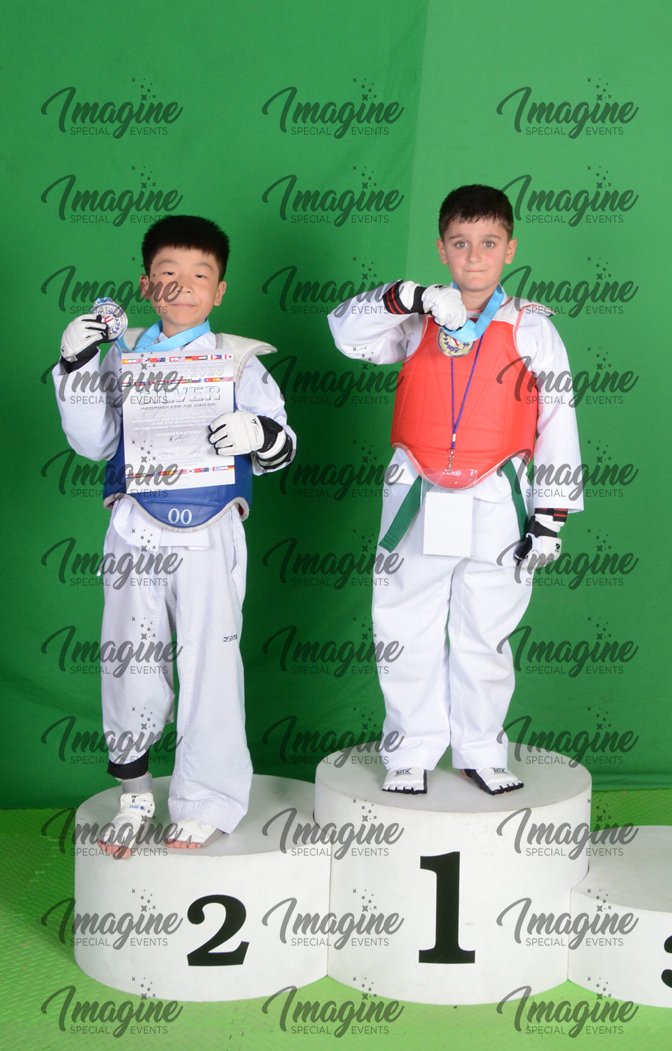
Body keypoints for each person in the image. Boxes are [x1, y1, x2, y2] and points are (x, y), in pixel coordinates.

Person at [328, 185, 583, 796]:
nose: (474, 256)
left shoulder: (532, 328)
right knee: (404, 624)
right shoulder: (412, 318)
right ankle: (409, 749)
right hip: (417, 491)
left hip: (498, 495)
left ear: (510, 249)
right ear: (441, 249)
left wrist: (550, 516)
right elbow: (345, 332)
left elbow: (558, 419)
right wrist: (411, 296)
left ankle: (480, 749)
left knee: (486, 631)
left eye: (489, 243)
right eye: (460, 243)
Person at [54, 214, 295, 857]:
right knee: (129, 660)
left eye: (199, 275)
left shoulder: (238, 362)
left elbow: (282, 448)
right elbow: (93, 442)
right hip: (135, 528)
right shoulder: (120, 354)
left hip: (212, 532)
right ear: (145, 285)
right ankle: (134, 793)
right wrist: (75, 364)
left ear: (219, 290)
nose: (182, 286)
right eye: (167, 274)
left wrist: (260, 434)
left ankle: (207, 799)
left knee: (211, 663)